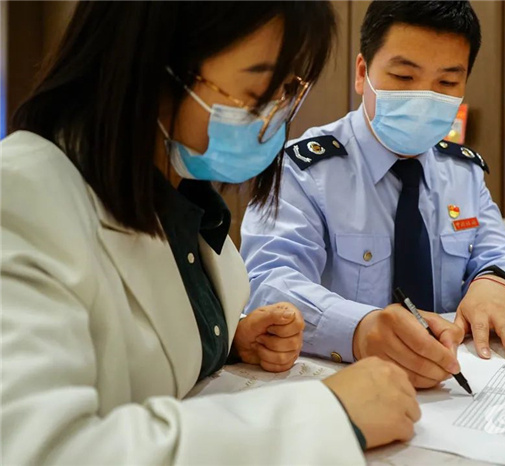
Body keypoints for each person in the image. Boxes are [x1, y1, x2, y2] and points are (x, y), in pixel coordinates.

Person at [0, 2, 420, 464]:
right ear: (156, 66)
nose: (274, 117)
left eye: (287, 91)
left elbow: (142, 337)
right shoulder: (17, 198)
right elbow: (42, 450)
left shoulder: (180, 195)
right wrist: (327, 416)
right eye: (258, 89)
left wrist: (227, 340)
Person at [240, 0, 505, 390]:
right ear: (362, 73)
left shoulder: (462, 171)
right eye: (404, 76)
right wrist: (359, 329)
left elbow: (502, 254)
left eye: (446, 83)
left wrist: (494, 285)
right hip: (342, 384)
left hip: (452, 382)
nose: (424, 97)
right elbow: (269, 282)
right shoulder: (302, 170)